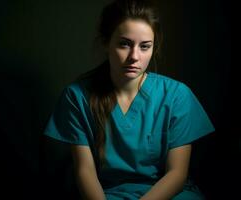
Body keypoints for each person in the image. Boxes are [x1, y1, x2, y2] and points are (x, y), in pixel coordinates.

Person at [43, 0, 215, 199]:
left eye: (145, 46)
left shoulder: (177, 95)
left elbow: (177, 174)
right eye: (124, 44)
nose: (134, 56)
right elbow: (85, 171)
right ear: (106, 43)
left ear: (153, 48)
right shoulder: (78, 96)